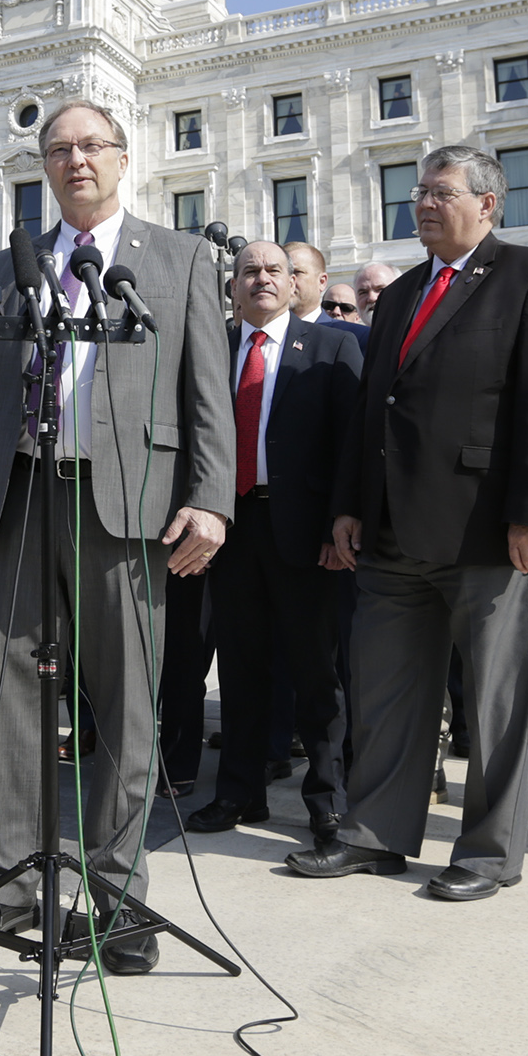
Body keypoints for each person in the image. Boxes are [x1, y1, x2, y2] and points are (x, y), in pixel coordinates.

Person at [0, 98, 234, 974]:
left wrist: (211, 499)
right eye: (58, 150)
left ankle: (117, 900)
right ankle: (5, 884)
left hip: (127, 503)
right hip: (23, 497)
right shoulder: (23, 264)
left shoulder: (179, 259)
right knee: (15, 698)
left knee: (128, 709)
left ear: (122, 158)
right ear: (45, 168)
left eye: (91, 145)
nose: (75, 161)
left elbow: (209, 390)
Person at [289, 144, 528, 902]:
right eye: (418, 191)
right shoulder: (404, 291)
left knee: (498, 704)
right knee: (386, 693)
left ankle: (488, 853)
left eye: (440, 192)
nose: (422, 203)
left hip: (492, 534)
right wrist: (351, 506)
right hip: (391, 532)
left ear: (488, 203)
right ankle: (376, 834)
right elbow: (371, 411)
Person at [189, 242, 362, 847]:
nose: (260, 279)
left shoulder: (333, 345)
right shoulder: (212, 348)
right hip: (231, 529)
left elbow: (352, 443)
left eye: (274, 271)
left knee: (317, 675)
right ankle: (239, 792)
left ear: (294, 284)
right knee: (241, 670)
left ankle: (327, 800)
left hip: (308, 536)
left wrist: (342, 519)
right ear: (232, 287)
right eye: (248, 272)